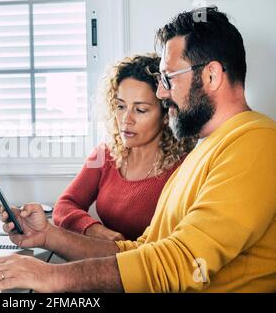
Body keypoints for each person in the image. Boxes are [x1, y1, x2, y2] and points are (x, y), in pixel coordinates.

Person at [0, 6, 276, 293]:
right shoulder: (205, 149)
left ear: (211, 75)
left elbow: (182, 263)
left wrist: (51, 276)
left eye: (168, 77)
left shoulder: (256, 143)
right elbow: (142, 250)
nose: (161, 91)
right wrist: (49, 236)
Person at [53, 54, 197, 242]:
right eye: (121, 106)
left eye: (140, 110)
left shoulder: (184, 168)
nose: (126, 119)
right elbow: (65, 205)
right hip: (105, 262)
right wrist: (97, 231)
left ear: (166, 115)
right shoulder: (105, 154)